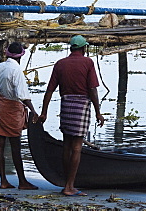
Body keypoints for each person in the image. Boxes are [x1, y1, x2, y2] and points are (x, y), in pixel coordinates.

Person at [40, 35, 105, 197]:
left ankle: (66, 183)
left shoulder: (60, 64)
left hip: (66, 104)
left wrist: (44, 112)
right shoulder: (88, 62)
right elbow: (92, 89)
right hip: (81, 105)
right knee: (76, 147)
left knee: (67, 145)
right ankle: (70, 186)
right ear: (83, 48)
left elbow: (49, 90)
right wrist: (98, 111)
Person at [0, 41, 41, 190]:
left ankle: (3, 181)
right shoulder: (16, 70)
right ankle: (22, 182)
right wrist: (33, 110)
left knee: (0, 144)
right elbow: (22, 95)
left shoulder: (0, 66)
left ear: (7, 53)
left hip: (1, 106)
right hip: (12, 108)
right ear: (20, 56)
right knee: (15, 146)